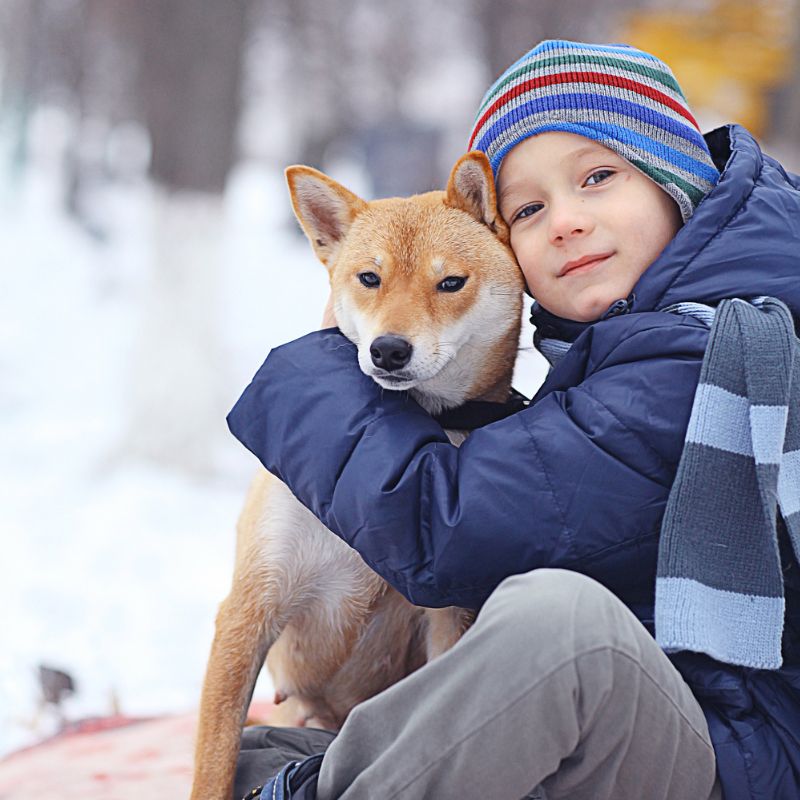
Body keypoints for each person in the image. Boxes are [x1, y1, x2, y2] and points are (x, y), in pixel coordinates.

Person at [225, 40, 800, 800]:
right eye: (528, 208)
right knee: (274, 747)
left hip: (737, 759)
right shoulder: (618, 355)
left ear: (679, 181)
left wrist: (330, 362)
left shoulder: (706, 355)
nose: (565, 221)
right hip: (675, 732)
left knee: (559, 628)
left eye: (599, 177)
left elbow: (448, 531)